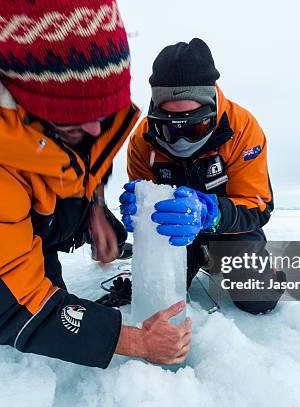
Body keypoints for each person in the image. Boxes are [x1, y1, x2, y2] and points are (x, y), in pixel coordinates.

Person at [0, 0, 191, 368]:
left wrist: (93, 212)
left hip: (38, 198)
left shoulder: (64, 126)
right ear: (15, 101)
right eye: (71, 120)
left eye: (101, 114)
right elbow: (11, 303)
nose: (93, 130)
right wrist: (138, 342)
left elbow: (82, 156)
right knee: (49, 316)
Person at [121, 38, 284, 315]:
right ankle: (198, 255)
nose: (182, 140)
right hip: (174, 229)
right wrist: (140, 212)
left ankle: (260, 267)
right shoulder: (142, 139)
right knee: (159, 296)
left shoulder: (242, 128)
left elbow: (258, 206)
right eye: (170, 130)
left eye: (194, 128)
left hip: (230, 227)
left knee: (257, 297)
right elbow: (142, 199)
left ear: (210, 108)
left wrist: (211, 213)